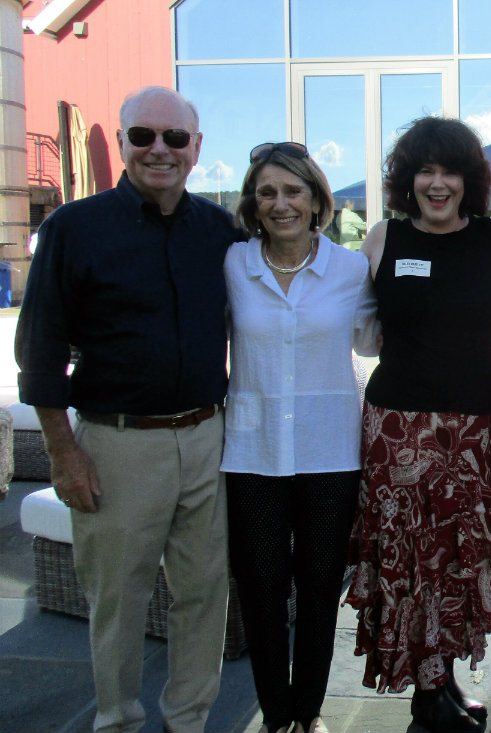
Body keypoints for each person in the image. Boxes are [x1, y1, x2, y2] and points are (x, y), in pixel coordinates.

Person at [14, 85, 238, 733]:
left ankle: (187, 718)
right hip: (115, 445)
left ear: (197, 149)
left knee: (204, 594)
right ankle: (116, 720)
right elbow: (40, 351)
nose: (159, 150)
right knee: (118, 599)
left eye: (175, 138)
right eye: (143, 136)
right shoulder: (72, 229)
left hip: (206, 437)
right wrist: (62, 452)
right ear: (120, 143)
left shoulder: (219, 232)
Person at [345, 116, 491, 733]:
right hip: (398, 432)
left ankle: (443, 681)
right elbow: (344, 323)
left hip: (475, 432)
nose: (437, 183)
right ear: (407, 179)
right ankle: (426, 703)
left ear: (469, 180)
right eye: (425, 169)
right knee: (411, 562)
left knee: (455, 560)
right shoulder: (380, 239)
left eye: (449, 170)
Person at [223, 141, 379, 733]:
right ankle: (275, 713)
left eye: (293, 191)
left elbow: (375, 338)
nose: (281, 203)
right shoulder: (234, 265)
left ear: (318, 200)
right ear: (253, 203)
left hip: (329, 454)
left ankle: (307, 713)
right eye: (268, 192)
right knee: (261, 592)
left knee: (318, 592)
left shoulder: (350, 269)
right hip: (252, 454)